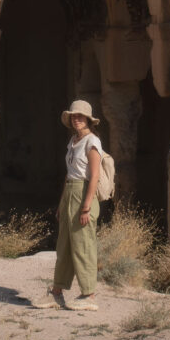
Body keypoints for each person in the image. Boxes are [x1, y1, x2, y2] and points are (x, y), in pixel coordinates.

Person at [33, 100, 102, 311]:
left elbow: (94, 177)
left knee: (83, 246)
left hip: (84, 195)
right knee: (64, 246)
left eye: (81, 116)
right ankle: (57, 293)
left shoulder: (92, 142)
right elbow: (69, 175)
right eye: (74, 116)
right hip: (70, 193)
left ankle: (89, 295)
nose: (77, 119)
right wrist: (62, 204)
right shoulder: (73, 141)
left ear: (89, 119)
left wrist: (86, 207)